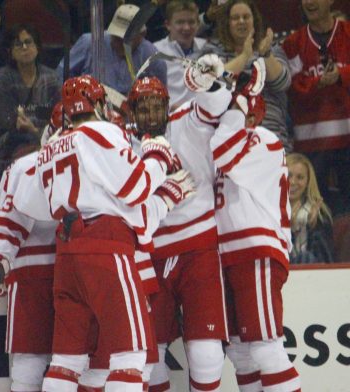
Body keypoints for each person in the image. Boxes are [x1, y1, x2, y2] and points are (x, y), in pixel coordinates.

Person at [11, 74, 194, 392]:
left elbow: (31, 204)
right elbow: (136, 187)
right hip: (106, 248)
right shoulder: (103, 131)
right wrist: (157, 157)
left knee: (67, 361)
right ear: (97, 103)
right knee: (131, 355)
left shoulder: (52, 146)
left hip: (67, 253)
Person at [126, 58, 232, 392]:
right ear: (131, 112)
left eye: (157, 107)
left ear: (168, 106)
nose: (150, 115)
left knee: (206, 351)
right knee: (146, 353)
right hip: (149, 254)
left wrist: (205, 82)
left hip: (197, 247)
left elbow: (217, 104)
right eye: (142, 108)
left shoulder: (187, 121)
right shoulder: (120, 143)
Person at [211, 67, 301, 391]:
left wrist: (239, 100)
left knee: (266, 348)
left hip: (256, 252)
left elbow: (223, 149)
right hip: (229, 256)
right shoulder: (221, 145)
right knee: (241, 353)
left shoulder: (264, 141)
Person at [0, 147, 58, 392]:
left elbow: (9, 217)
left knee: (34, 360)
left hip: (36, 270)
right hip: (73, 268)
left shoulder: (21, 166)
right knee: (77, 359)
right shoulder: (93, 152)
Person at [282, 0, 350, 215]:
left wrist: (342, 74)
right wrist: (317, 82)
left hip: (348, 138)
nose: (309, 2)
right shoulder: (292, 43)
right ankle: (317, 250)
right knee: (315, 211)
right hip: (312, 144)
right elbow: (290, 87)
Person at [208, 0, 292, 151]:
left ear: (255, 20)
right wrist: (245, 55)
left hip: (271, 136)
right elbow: (210, 83)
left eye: (246, 17)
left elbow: (283, 82)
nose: (241, 21)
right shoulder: (213, 50)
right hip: (229, 142)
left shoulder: (271, 47)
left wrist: (265, 54)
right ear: (227, 23)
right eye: (235, 18)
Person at [56, 3, 167, 96]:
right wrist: (75, 95)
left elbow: (161, 95)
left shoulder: (153, 58)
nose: (121, 42)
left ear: (142, 35)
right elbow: (60, 75)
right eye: (117, 36)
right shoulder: (89, 42)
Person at [0, 23, 61, 144]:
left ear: (37, 47)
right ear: (10, 52)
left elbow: (58, 117)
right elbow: (7, 122)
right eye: (18, 44)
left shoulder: (51, 78)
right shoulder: (1, 80)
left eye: (28, 42)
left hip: (46, 139)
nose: (24, 47)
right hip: (9, 142)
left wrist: (35, 131)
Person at [153, 0, 209, 109]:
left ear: (198, 24)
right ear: (168, 25)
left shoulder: (206, 48)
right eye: (180, 22)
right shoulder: (155, 51)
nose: (187, 28)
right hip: (169, 118)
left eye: (191, 22)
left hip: (203, 117)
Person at [287, 152, 334, 264]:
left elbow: (325, 258)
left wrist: (312, 227)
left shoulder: (320, 213)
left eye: (300, 177)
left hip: (314, 276)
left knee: (306, 257)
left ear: (308, 182)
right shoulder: (270, 212)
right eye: (288, 176)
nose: (293, 182)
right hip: (280, 273)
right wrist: (288, 228)